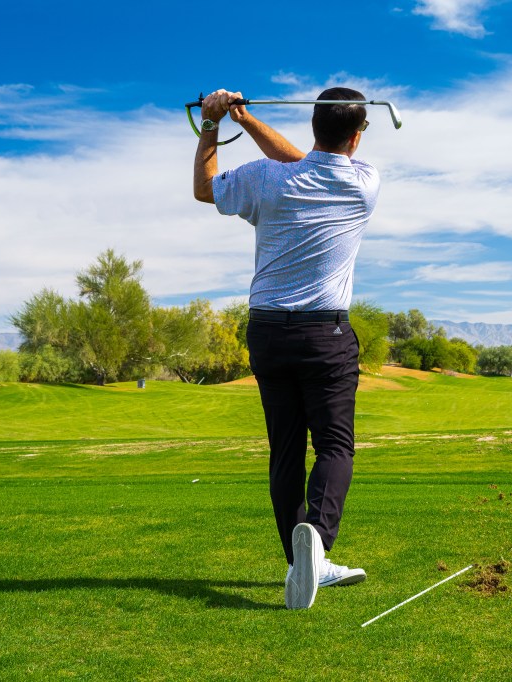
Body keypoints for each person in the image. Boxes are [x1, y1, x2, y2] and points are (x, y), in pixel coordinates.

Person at [193, 87, 379, 609]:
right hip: (327, 335)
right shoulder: (365, 182)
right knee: (336, 447)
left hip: (268, 332)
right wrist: (244, 119)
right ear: (357, 135)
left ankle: (302, 563)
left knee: (285, 453)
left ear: (314, 125)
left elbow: (205, 189)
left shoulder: (264, 177)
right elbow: (311, 161)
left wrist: (217, 123)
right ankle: (316, 547)